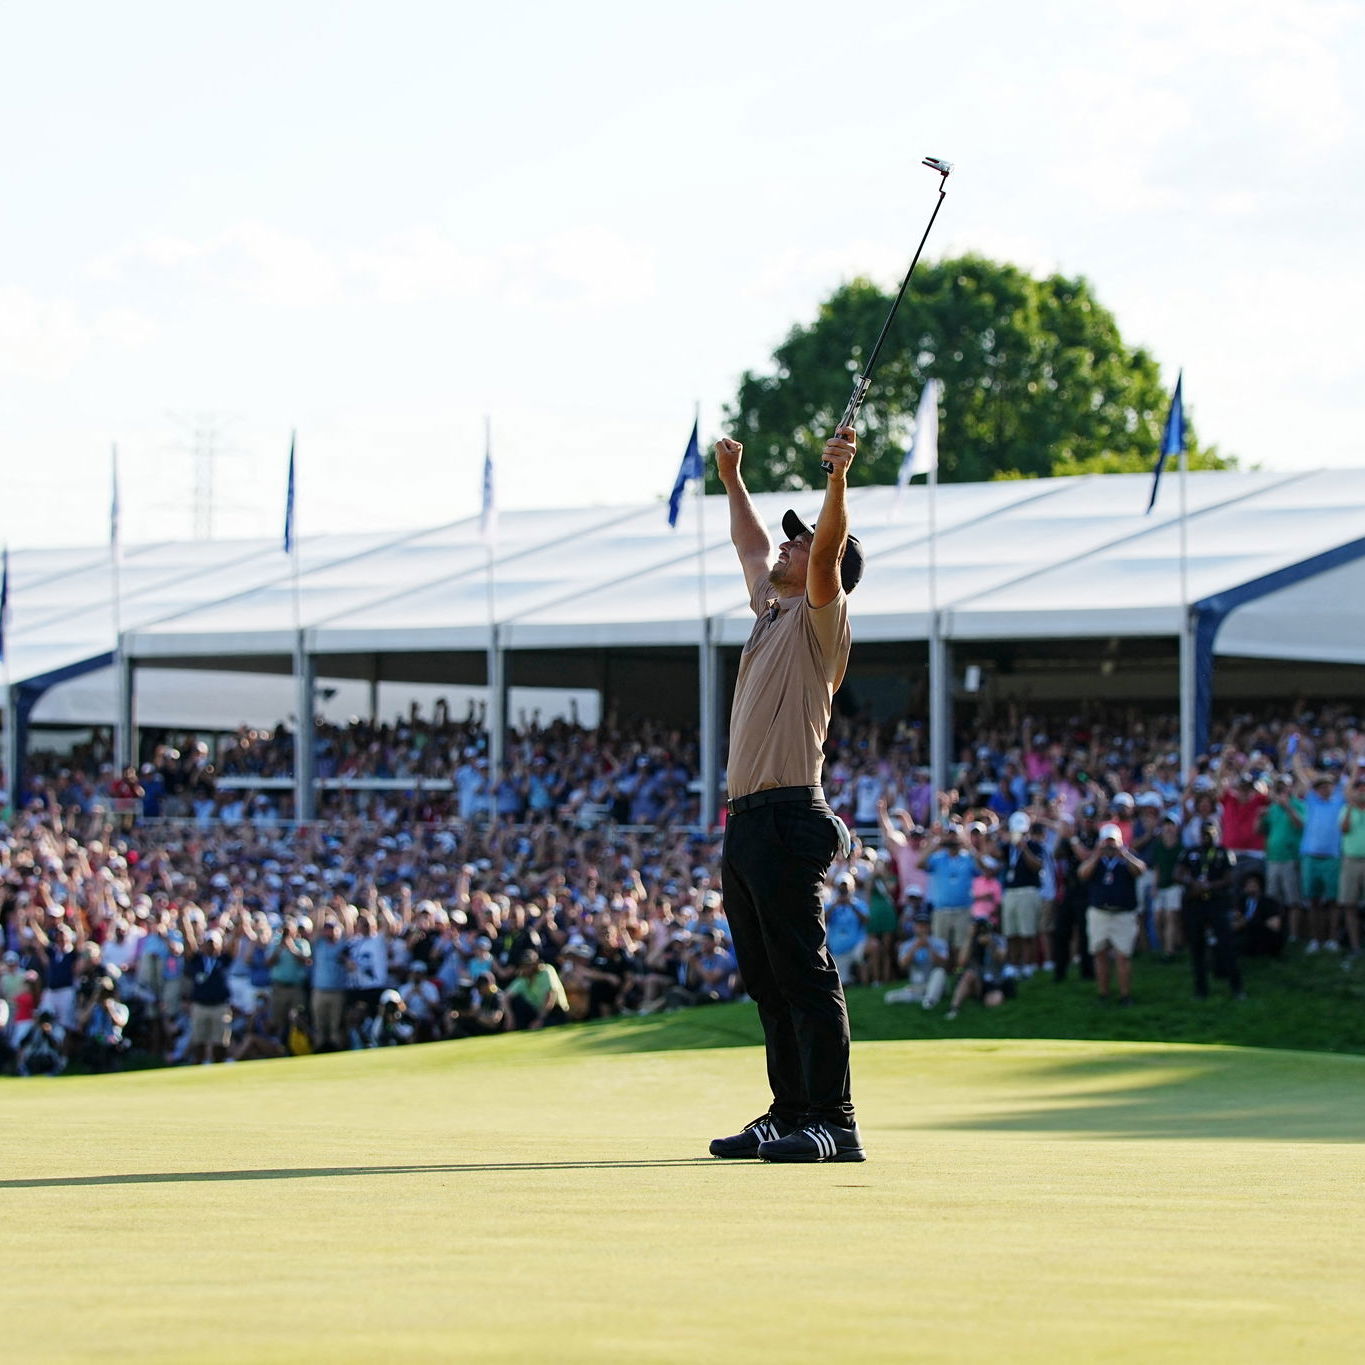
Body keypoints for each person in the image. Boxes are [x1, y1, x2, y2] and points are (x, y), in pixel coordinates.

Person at [709, 426, 867, 1165]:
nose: (783, 546)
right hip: (745, 821)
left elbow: (829, 551)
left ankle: (834, 1120)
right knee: (768, 982)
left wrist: (837, 480)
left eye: (795, 543)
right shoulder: (771, 611)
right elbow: (747, 546)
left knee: (804, 974)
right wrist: (732, 477)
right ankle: (788, 1110)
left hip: (787, 813)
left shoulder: (816, 617)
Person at [1076, 822, 1145, 1006]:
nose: (1109, 845)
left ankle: (1125, 995)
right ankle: (1103, 994)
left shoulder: (1126, 858)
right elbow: (1082, 873)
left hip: (1123, 914)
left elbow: (1140, 870)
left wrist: (1124, 854)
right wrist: (1096, 855)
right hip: (1099, 913)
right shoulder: (1096, 860)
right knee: (1100, 954)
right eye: (1106, 841)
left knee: (1123, 956)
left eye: (1112, 841)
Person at [1176, 819, 1245, 1000]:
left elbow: (1231, 877)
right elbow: (1178, 873)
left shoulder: (1224, 853)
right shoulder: (1191, 852)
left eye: (1211, 833)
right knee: (1196, 947)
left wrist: (1210, 886)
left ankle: (1236, 987)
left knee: (1226, 944)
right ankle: (1200, 989)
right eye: (1204, 833)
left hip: (1217, 903)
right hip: (1195, 903)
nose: (1207, 837)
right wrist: (1192, 883)